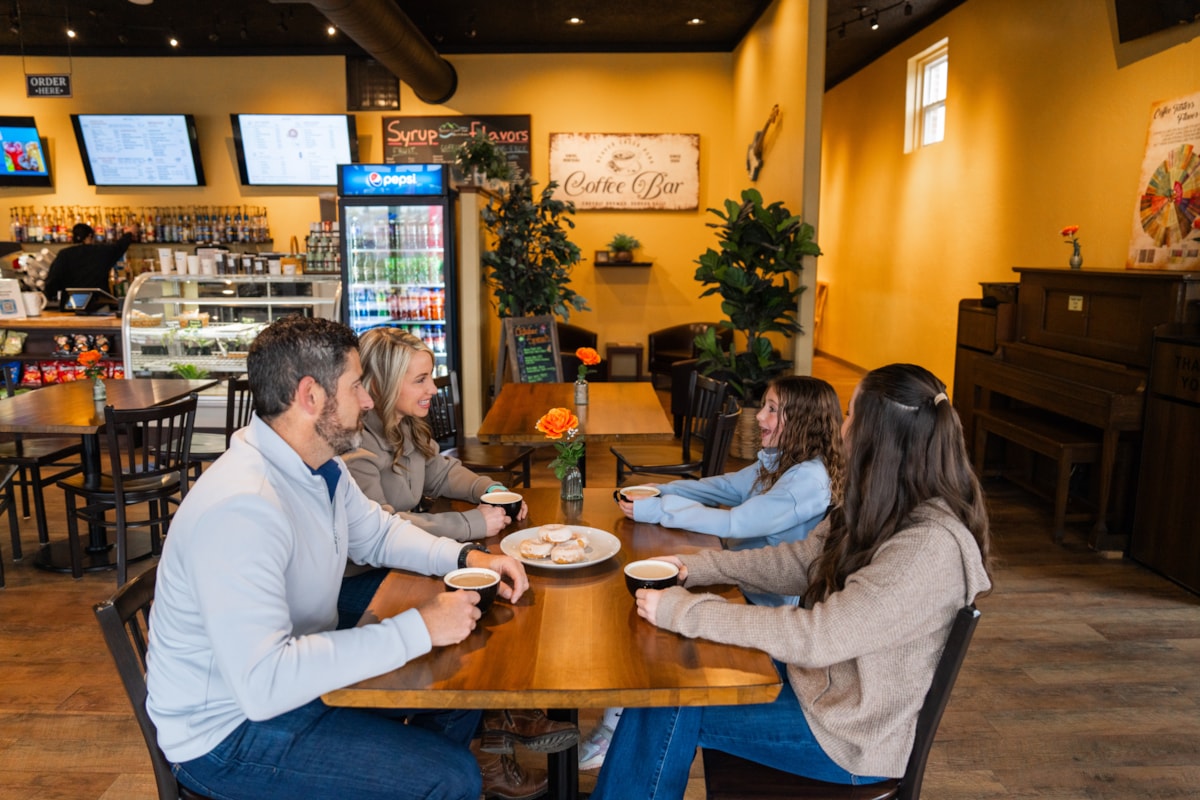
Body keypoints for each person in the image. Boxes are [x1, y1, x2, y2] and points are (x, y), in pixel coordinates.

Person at [145, 315, 530, 800]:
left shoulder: (317, 466)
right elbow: (264, 683)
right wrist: (420, 627)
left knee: (463, 688)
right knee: (452, 776)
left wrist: (467, 557)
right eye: (356, 387)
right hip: (227, 733)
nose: (369, 401)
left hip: (294, 688)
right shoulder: (241, 508)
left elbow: (377, 534)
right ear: (311, 396)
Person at [590, 363, 994, 799]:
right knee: (676, 669)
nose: (843, 429)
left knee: (668, 698)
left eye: (852, 415)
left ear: (880, 435)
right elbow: (801, 561)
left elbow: (819, 637)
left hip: (848, 735)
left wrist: (689, 611)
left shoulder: (926, 548)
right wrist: (697, 568)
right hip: (823, 687)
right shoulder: (887, 506)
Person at [343, 326, 574, 794]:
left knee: (481, 596)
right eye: (421, 380)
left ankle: (497, 718)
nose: (433, 389)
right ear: (383, 385)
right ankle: (469, 753)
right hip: (357, 585)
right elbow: (385, 529)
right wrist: (473, 527)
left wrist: (489, 490)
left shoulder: (402, 424)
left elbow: (442, 469)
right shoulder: (355, 448)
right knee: (465, 621)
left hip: (396, 565)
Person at [581, 376, 847, 770]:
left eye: (774, 409)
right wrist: (660, 491)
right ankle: (618, 721)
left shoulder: (806, 480)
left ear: (803, 420)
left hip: (762, 602)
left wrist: (658, 509)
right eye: (765, 407)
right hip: (739, 578)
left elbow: (736, 522)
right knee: (647, 599)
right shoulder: (782, 462)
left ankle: (616, 730)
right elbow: (722, 488)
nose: (761, 418)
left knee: (652, 612)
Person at [42, 223, 132, 308]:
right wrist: (129, 233)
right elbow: (119, 247)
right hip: (98, 304)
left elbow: (53, 280)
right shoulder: (101, 251)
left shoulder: (64, 254)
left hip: (71, 304)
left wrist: (50, 295)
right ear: (89, 236)